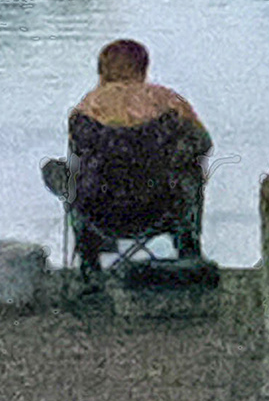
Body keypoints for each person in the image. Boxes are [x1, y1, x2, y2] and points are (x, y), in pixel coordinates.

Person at [41, 39, 212, 268]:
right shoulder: (169, 102)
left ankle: (89, 258)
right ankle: (189, 251)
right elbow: (202, 144)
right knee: (191, 170)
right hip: (161, 211)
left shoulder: (87, 108)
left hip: (99, 214)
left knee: (57, 170)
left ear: (102, 70)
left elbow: (77, 159)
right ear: (143, 68)